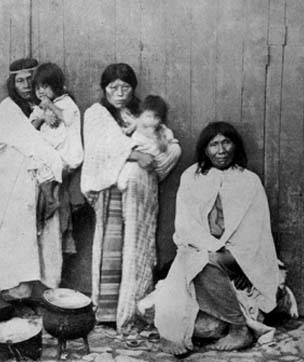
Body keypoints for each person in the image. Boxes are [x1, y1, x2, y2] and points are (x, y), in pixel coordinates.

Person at [153, 122, 280, 355]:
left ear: (235, 146)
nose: (221, 150)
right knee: (198, 263)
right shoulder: (191, 177)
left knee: (207, 261)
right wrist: (214, 250)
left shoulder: (249, 181)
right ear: (205, 149)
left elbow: (257, 235)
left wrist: (238, 265)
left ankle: (239, 328)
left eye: (226, 142)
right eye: (213, 144)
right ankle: (179, 332)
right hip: (201, 251)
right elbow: (186, 225)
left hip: (241, 260)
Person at [80, 63, 181, 333]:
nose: (119, 92)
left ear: (133, 88)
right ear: (104, 89)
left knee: (137, 247)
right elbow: (101, 148)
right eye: (113, 87)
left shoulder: (141, 113)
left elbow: (162, 143)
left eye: (125, 87)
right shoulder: (96, 113)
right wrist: (136, 155)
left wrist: (156, 158)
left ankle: (133, 309)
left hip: (140, 190)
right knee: (113, 247)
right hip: (111, 189)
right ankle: (108, 313)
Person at [0, 58, 83, 300]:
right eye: (19, 81)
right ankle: (16, 290)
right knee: (16, 232)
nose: (26, 86)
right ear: (12, 83)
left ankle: (45, 289)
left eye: (32, 80)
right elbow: (24, 140)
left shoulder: (49, 105)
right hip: (15, 182)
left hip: (40, 179)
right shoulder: (8, 108)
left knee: (47, 234)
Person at [29, 62, 84, 253]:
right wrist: (43, 116)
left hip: (66, 155)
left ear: (56, 85)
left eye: (45, 86)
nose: (41, 92)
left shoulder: (66, 103)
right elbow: (30, 127)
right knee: (38, 166)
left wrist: (51, 106)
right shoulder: (40, 108)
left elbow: (68, 118)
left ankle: (50, 200)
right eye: (37, 88)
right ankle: (48, 199)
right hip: (51, 156)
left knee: (46, 168)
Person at [117, 95, 177, 191]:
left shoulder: (162, 130)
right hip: (140, 155)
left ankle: (155, 175)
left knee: (175, 149)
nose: (152, 121)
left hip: (155, 161)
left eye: (156, 117)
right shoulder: (137, 130)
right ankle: (124, 180)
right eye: (148, 116)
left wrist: (162, 139)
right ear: (141, 115)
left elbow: (168, 138)